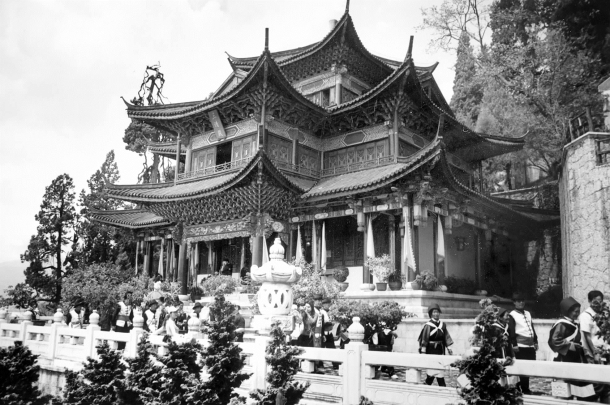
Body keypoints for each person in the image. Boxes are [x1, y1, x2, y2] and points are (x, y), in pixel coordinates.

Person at [549, 297, 596, 401]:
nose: (577, 314)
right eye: (575, 311)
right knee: (565, 386)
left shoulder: (573, 323)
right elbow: (554, 341)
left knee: (580, 383)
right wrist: (570, 345)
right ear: (568, 311)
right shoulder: (561, 324)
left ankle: (582, 401)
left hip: (575, 357)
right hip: (563, 358)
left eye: (578, 311)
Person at [579, 290, 610, 403]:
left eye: (600, 301)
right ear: (589, 301)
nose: (598, 304)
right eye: (595, 301)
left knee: (606, 380)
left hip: (605, 351)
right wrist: (594, 353)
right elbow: (587, 337)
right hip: (594, 352)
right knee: (597, 382)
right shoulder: (585, 316)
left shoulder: (602, 314)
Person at [508, 292, 538, 395]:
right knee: (523, 367)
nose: (521, 303)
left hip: (530, 344)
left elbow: (531, 327)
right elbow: (512, 330)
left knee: (530, 366)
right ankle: (525, 389)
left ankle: (521, 385)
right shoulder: (512, 315)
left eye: (522, 300)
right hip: (520, 345)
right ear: (514, 302)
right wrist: (514, 344)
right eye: (518, 301)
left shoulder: (528, 313)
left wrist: (535, 341)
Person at [418, 304, 454, 387]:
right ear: (431, 314)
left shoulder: (443, 325)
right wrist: (423, 352)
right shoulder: (428, 325)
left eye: (437, 312)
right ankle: (441, 386)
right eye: (434, 312)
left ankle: (429, 384)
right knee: (433, 371)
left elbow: (446, 337)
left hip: (440, 350)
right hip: (431, 350)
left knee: (438, 370)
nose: (436, 314)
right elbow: (425, 338)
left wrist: (449, 348)